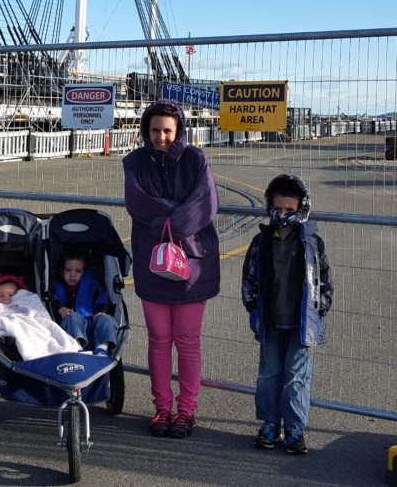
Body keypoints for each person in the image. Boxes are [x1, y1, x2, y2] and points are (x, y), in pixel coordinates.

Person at [123, 99, 220, 439]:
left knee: (188, 340)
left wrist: (166, 222)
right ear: (145, 131)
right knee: (159, 339)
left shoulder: (196, 159)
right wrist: (176, 214)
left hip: (192, 263)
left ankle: (186, 411)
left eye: (167, 130)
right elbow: (138, 203)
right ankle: (162, 407)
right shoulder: (134, 162)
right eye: (155, 130)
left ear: (178, 131)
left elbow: (205, 203)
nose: (161, 137)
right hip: (154, 262)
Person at [242, 174, 333, 455]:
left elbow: (324, 279)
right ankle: (270, 423)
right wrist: (251, 304)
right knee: (269, 375)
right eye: (278, 210)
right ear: (270, 206)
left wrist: (321, 307)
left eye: (290, 211)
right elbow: (250, 277)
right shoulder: (261, 241)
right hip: (270, 321)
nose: (283, 216)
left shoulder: (312, 243)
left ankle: (294, 428)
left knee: (296, 376)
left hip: (300, 324)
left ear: (301, 210)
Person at [0, 274, 78, 360]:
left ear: (18, 294)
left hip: (34, 323)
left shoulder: (24, 301)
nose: (6, 298)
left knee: (48, 332)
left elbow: (35, 313)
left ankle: (57, 349)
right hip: (15, 325)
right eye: (1, 296)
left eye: (11, 295)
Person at [52, 251, 118, 355]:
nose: (72, 275)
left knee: (106, 319)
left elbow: (102, 297)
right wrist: (60, 308)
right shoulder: (57, 286)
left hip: (91, 319)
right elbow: (52, 299)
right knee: (74, 316)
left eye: (78, 271)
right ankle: (77, 347)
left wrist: (101, 311)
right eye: (68, 270)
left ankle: (103, 348)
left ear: (84, 272)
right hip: (71, 323)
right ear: (61, 271)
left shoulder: (92, 284)